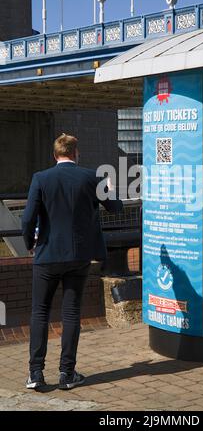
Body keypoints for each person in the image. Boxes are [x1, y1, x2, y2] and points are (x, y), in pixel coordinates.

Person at [22, 133, 123, 390]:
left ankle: (36, 374)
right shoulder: (92, 177)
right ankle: (67, 373)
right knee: (71, 313)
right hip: (78, 257)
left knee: (40, 311)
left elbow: (28, 219)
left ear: (55, 155)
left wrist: (30, 244)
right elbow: (114, 208)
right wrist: (109, 190)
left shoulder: (41, 178)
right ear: (76, 154)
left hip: (46, 255)